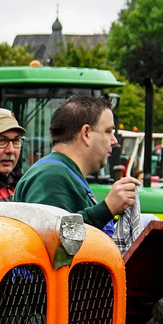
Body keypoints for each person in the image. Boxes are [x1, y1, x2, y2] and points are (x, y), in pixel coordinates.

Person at [13, 93, 138, 229]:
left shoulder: (63, 172)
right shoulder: (50, 176)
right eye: (108, 131)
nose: (114, 141)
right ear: (86, 134)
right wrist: (106, 209)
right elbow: (53, 236)